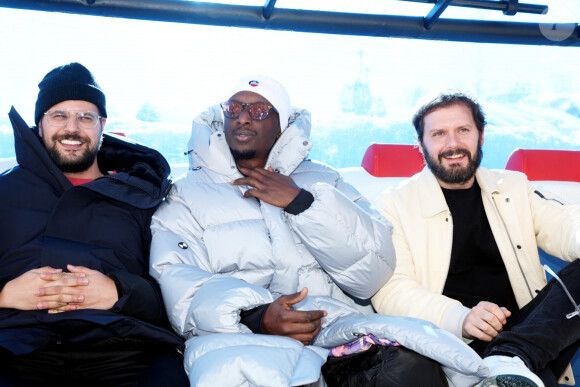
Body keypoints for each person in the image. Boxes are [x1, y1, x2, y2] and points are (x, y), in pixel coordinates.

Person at [150, 75, 488, 386]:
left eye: (259, 109)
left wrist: (302, 203)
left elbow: (373, 272)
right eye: (234, 108)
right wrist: (256, 317)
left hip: (333, 333)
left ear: (282, 126)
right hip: (238, 337)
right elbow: (177, 280)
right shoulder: (187, 193)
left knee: (411, 368)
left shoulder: (325, 180)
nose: (243, 117)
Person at [371, 92, 580, 387]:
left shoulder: (513, 187)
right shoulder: (394, 204)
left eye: (463, 130)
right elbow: (391, 290)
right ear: (420, 145)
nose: (452, 144)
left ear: (481, 136)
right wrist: (462, 318)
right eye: (439, 133)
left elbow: (564, 223)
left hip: (530, 345)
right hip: (448, 346)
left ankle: (510, 356)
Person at [0, 62, 188, 386]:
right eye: (59, 115)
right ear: (40, 125)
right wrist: (3, 294)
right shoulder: (5, 191)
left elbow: (176, 291)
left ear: (102, 125)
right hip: (15, 345)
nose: (72, 128)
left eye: (85, 117)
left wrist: (120, 291)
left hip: (123, 348)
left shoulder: (142, 198)